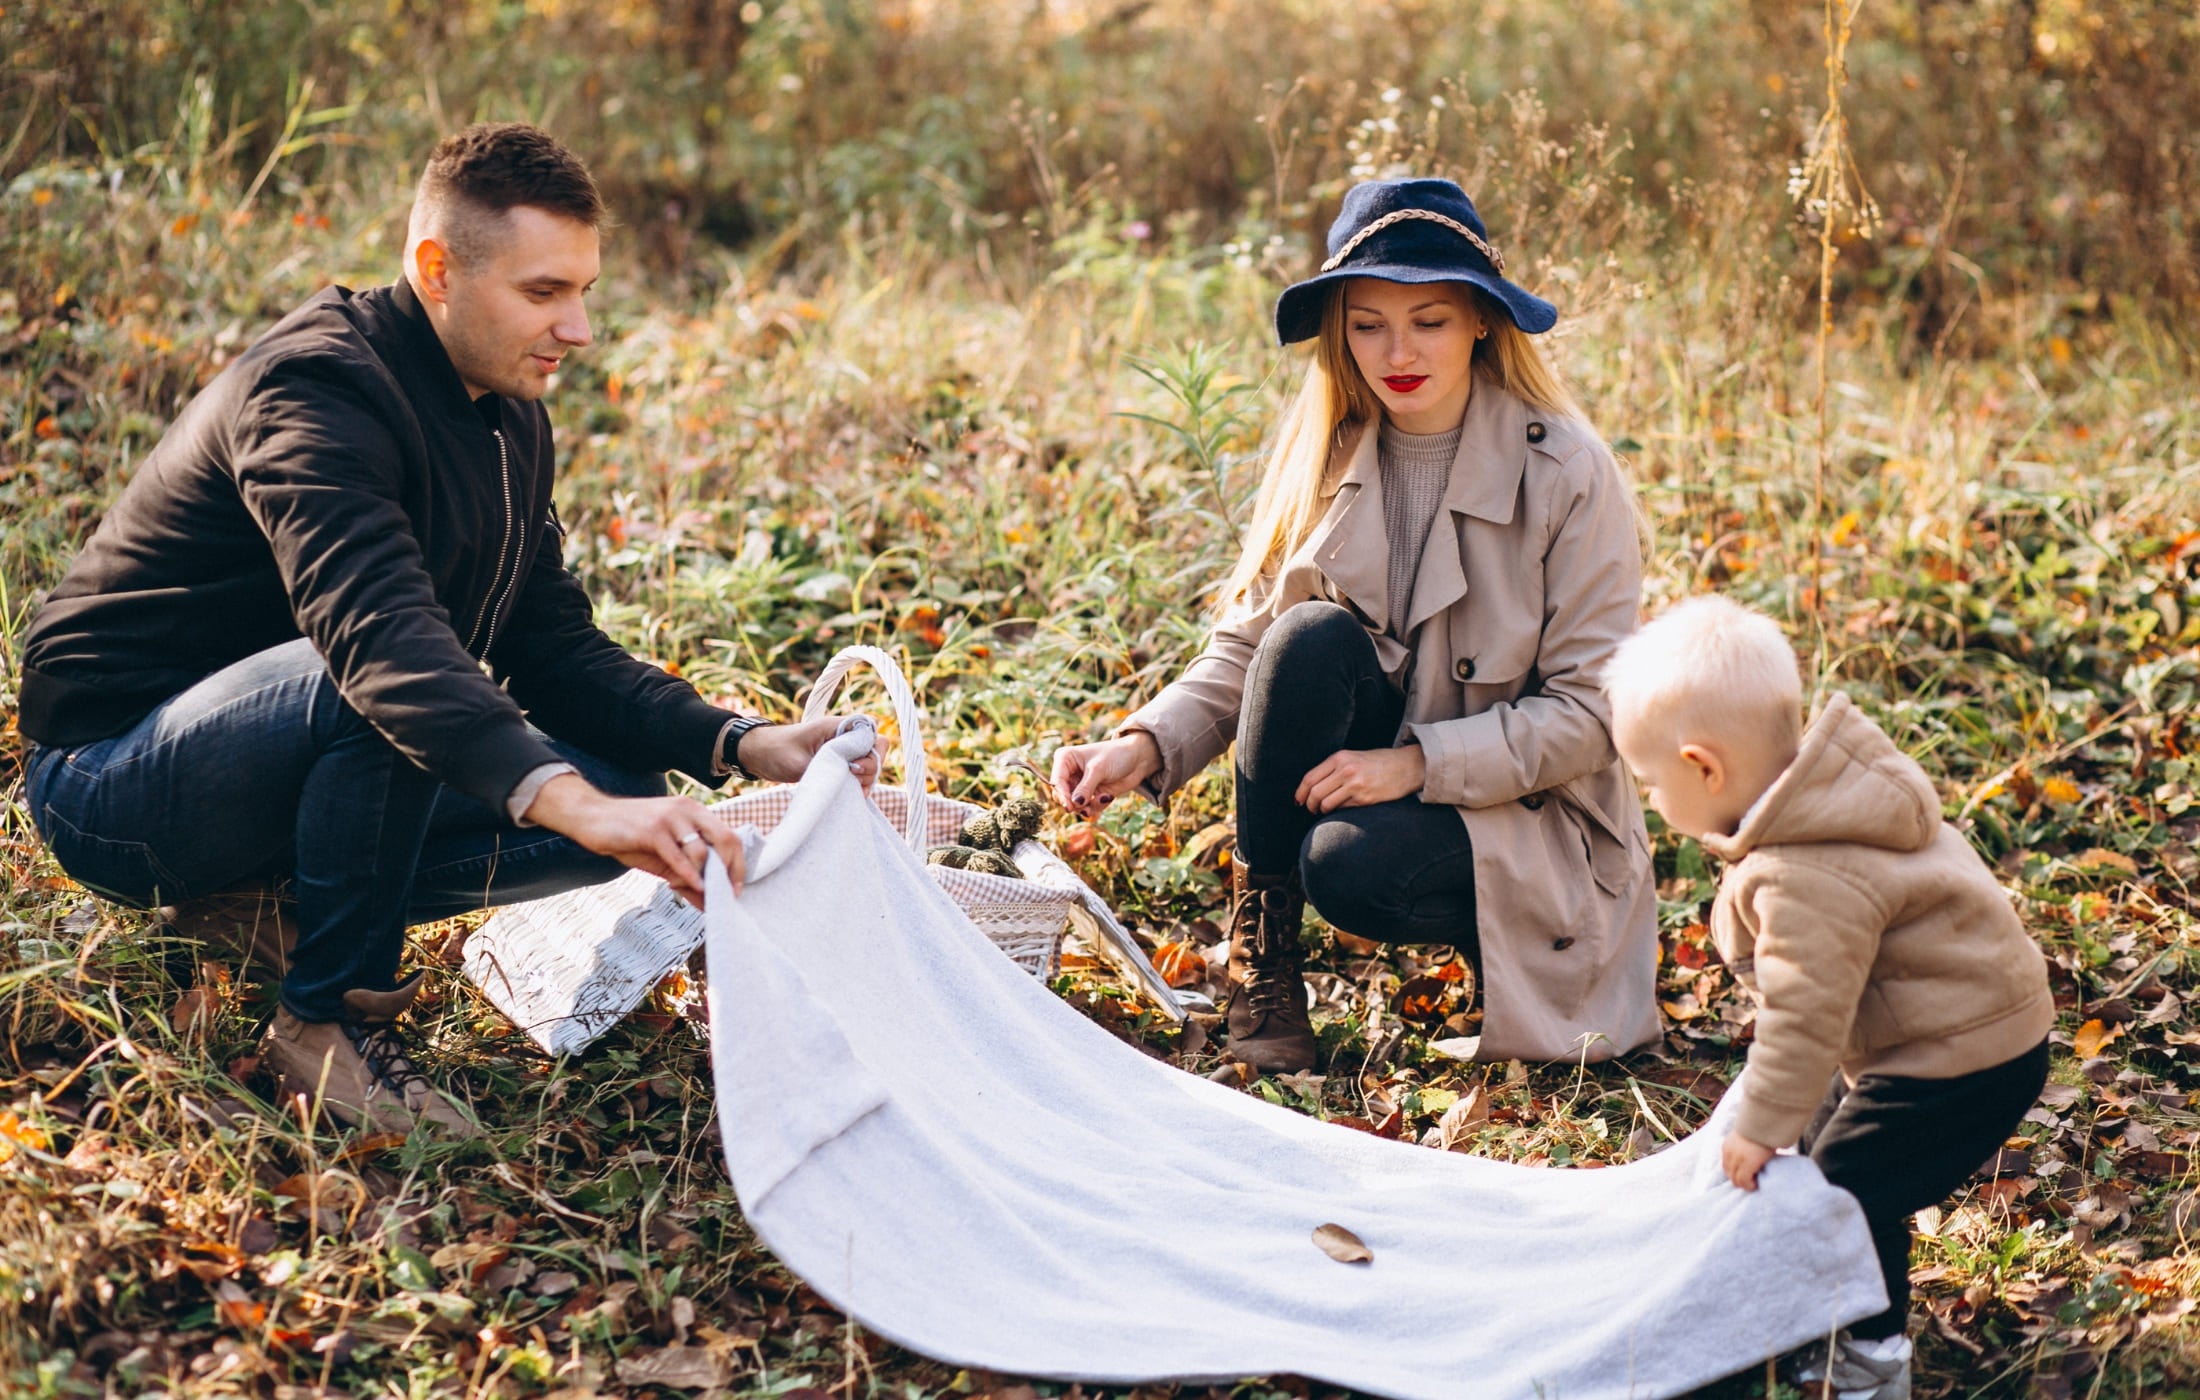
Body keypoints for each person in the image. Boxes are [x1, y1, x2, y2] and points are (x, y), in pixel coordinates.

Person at [16, 122, 875, 1137]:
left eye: (584, 290)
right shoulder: (315, 390)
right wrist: (560, 799)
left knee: (622, 792)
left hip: (284, 749)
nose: (580, 327)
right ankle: (325, 1015)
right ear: (436, 270)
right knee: (381, 685)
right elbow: (378, 639)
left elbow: (550, 644)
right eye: (544, 292)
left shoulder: (511, 417)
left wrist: (735, 740)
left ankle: (255, 906)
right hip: (115, 778)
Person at [1051, 177, 1661, 1073]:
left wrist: (1416, 766)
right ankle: (1264, 963)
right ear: (1340, 329)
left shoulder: (1568, 472)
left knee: (1350, 864)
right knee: (1306, 638)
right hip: (1393, 756)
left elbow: (1593, 714)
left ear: (1482, 321)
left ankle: (1502, 947)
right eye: (1368, 322)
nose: (1397, 350)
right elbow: (1253, 643)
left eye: (1430, 321)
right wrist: (1143, 745)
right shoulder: (1330, 449)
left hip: (1528, 811)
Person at [1604, 596, 2052, 1399]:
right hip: (1952, 1032)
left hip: (1961, 1061)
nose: (1651, 802)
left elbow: (1807, 1018)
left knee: (1842, 1190)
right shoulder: (1829, 796)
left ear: (1704, 768)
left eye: (1650, 783)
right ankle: (1822, 1309)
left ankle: (1870, 1360)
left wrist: (1762, 1125)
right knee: (1813, 1151)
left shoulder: (1802, 870)